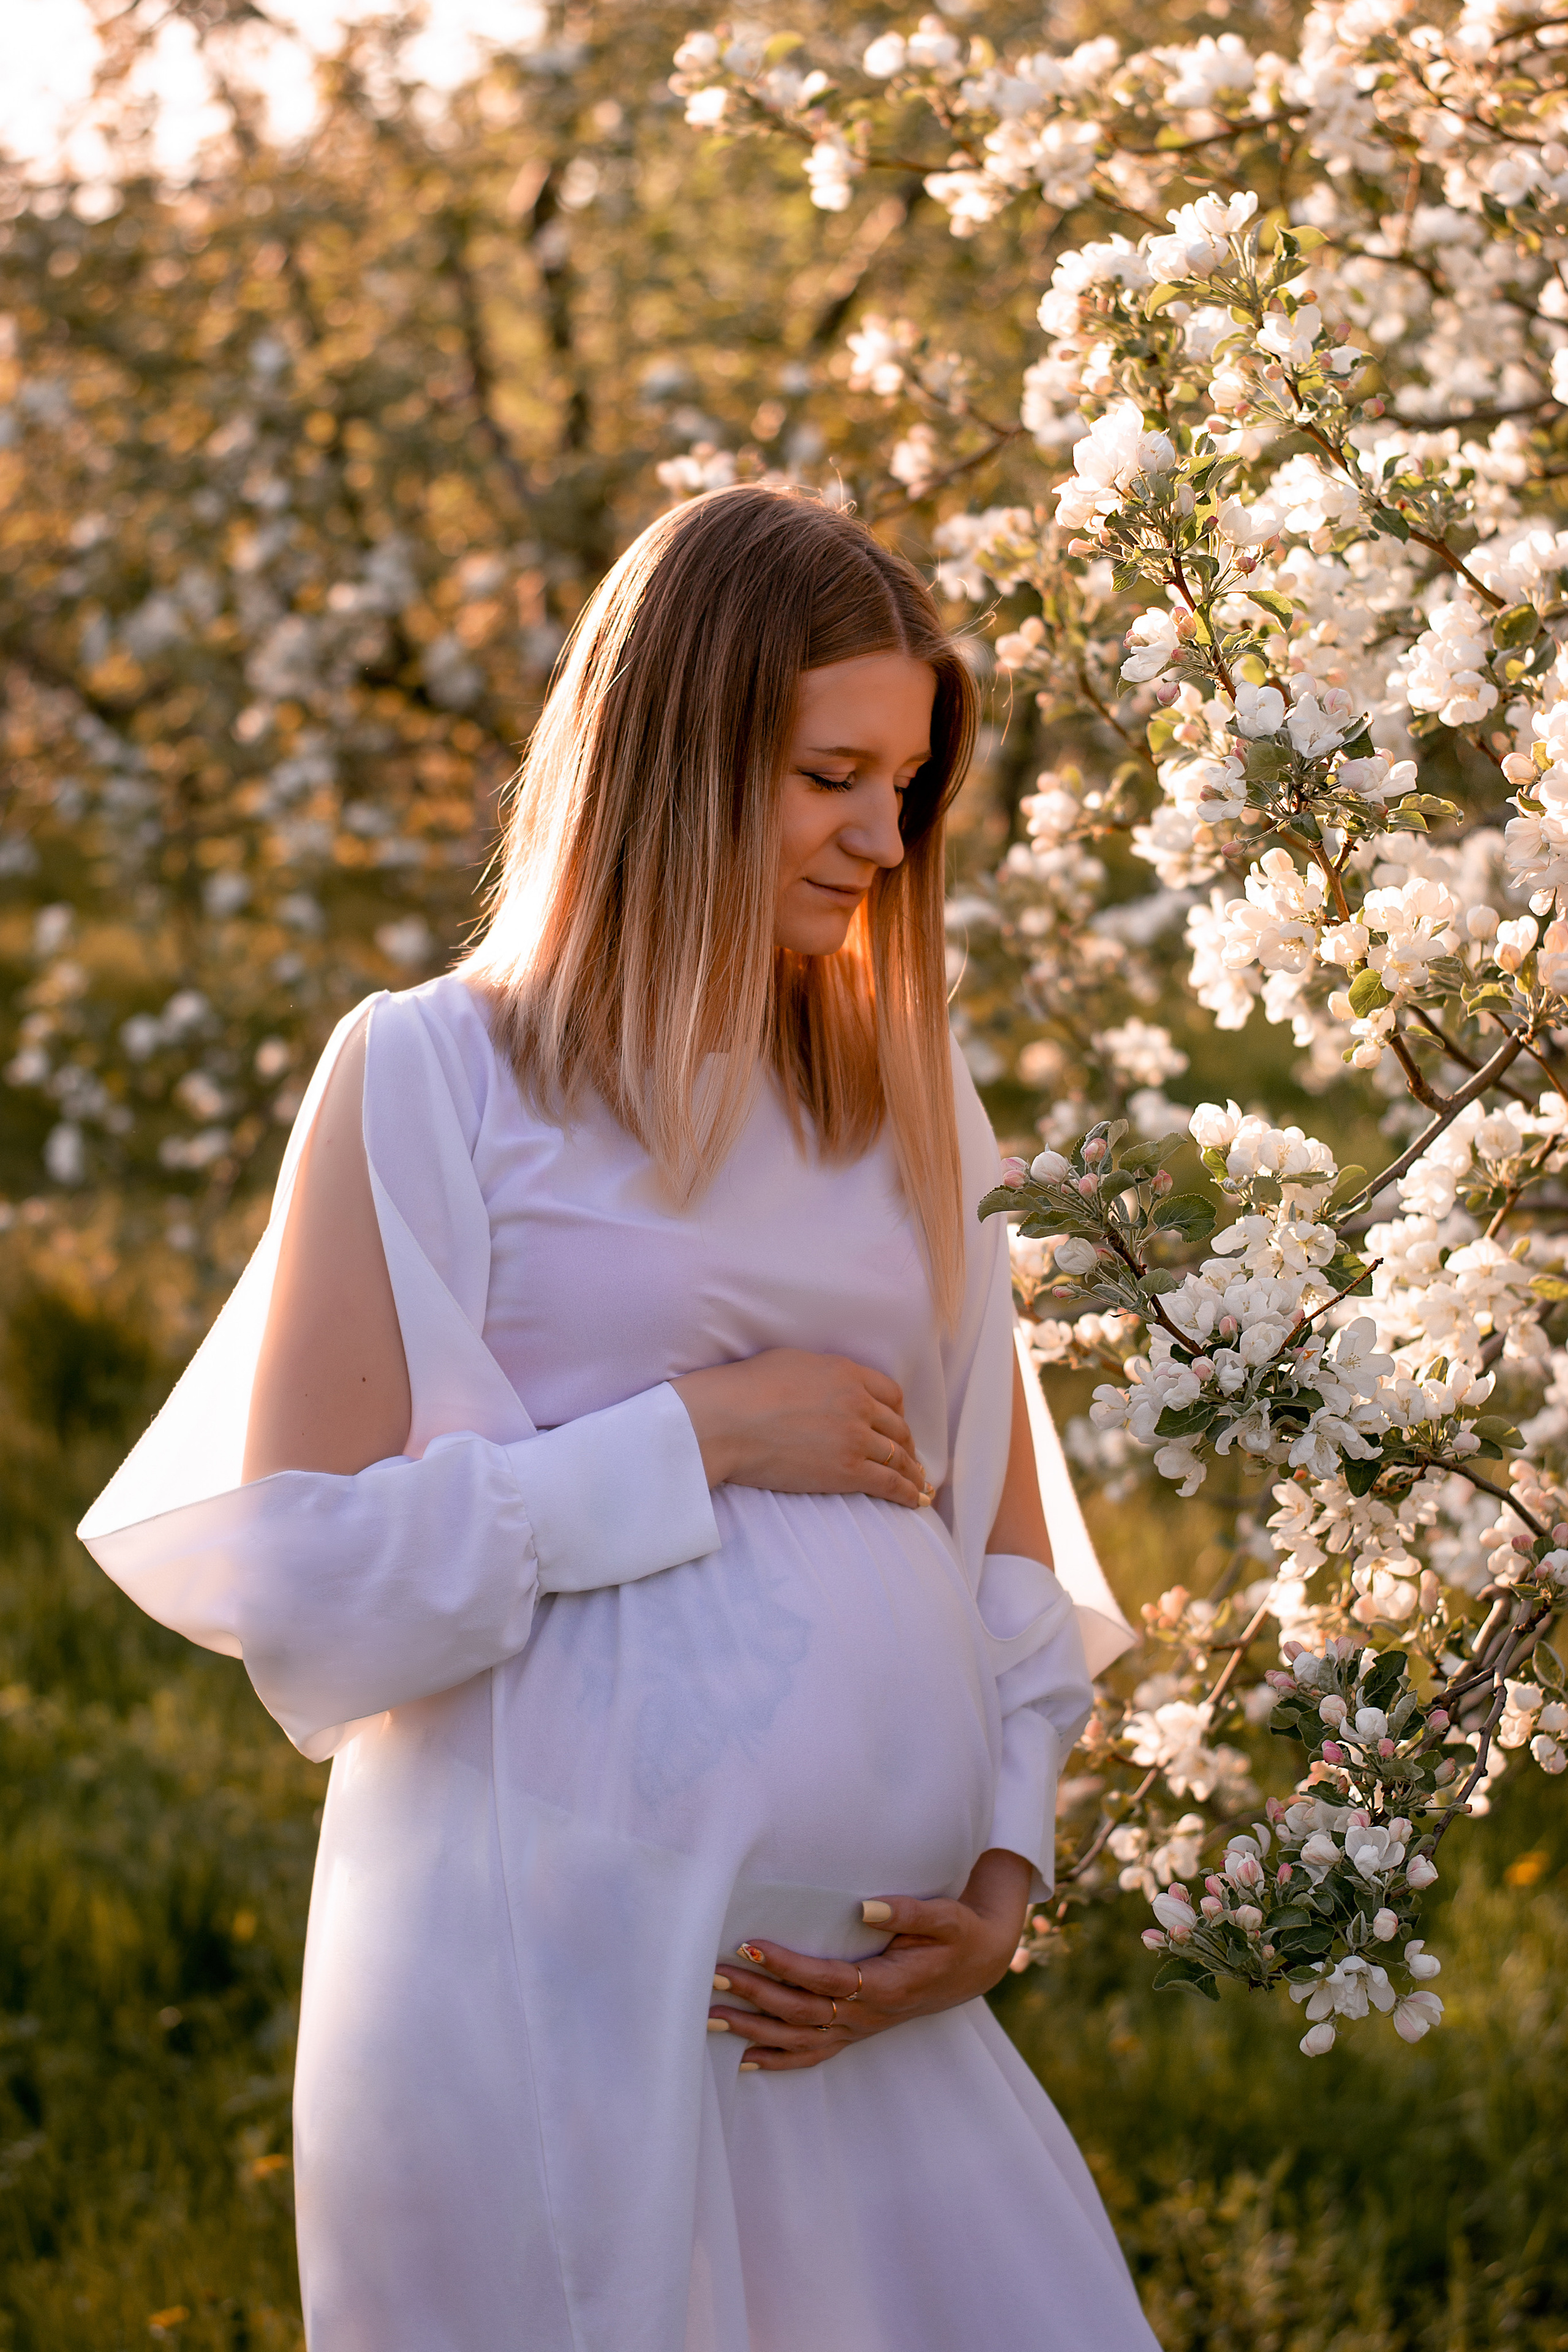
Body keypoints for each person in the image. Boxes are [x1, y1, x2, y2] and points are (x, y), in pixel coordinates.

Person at [81, 484, 1159, 2352]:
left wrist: (1003, 1875)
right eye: (834, 773)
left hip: (860, 2017)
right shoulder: (432, 1076)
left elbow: (1001, 1532)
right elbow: (312, 1577)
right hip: (538, 1979)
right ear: (679, 752)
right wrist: (704, 1440)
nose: (885, 839)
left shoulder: (911, 1101)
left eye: (906, 784)